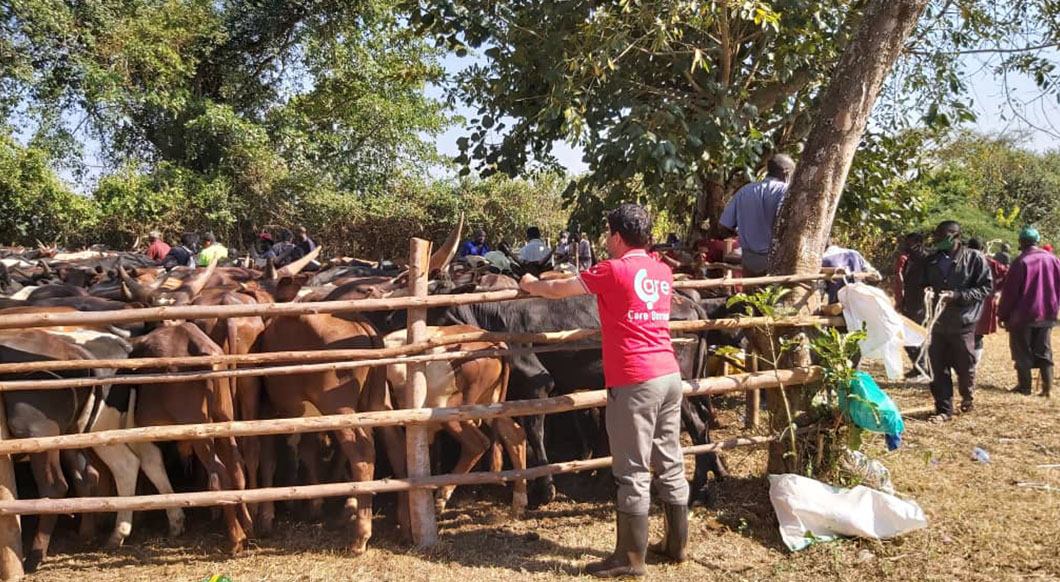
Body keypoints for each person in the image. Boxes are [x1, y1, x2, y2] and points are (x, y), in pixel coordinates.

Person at [518, 203, 688, 578]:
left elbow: (563, 289)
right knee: (670, 459)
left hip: (634, 378)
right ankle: (676, 545)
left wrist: (531, 285)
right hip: (669, 375)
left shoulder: (613, 269)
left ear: (616, 236)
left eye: (608, 233)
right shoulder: (662, 270)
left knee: (631, 470)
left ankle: (629, 559)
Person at [914, 221, 992, 422]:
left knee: (965, 365)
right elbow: (922, 283)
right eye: (937, 236)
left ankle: (967, 395)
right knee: (937, 368)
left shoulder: (974, 258)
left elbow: (985, 288)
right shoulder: (931, 260)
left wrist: (957, 296)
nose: (939, 240)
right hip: (937, 323)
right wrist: (927, 292)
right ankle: (943, 410)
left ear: (955, 236)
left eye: (943, 236)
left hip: (962, 322)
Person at [998, 227, 1060, 397]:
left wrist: (1002, 314)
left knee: (1022, 350)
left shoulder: (1021, 261)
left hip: (1023, 315)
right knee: (1044, 350)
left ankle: (1025, 387)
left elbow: (1010, 292)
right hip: (1047, 312)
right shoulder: (1053, 259)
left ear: (1021, 242)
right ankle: (1047, 389)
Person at [718, 153, 796, 276]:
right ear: (786, 173)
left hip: (749, 261)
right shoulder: (786, 192)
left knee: (749, 294)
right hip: (776, 260)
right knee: (775, 294)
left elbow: (723, 227)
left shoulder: (744, 191)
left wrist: (744, 233)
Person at [967, 237, 1008, 367]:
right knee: (978, 335)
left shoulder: (962, 260)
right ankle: (973, 364)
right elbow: (1007, 274)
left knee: (966, 333)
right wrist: (998, 290)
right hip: (984, 302)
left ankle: (968, 363)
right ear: (983, 249)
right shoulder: (991, 262)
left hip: (965, 301)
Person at [821, 238, 878, 304]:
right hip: (860, 299)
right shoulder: (854, 253)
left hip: (838, 302)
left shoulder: (823, 258)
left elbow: (821, 288)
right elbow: (874, 274)